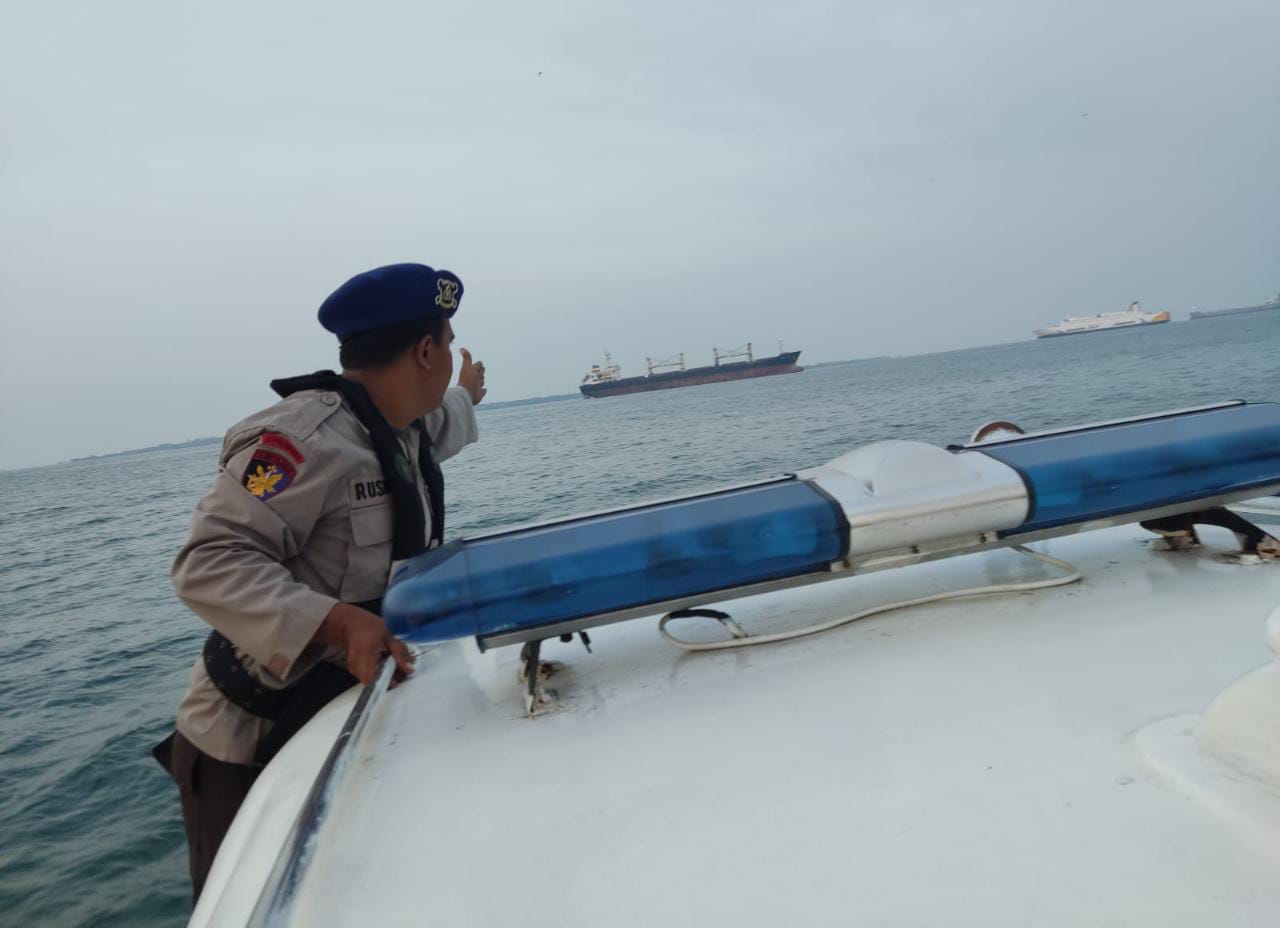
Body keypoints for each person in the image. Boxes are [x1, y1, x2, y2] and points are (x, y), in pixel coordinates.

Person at [153, 263, 486, 902]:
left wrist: (468, 391)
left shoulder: (402, 427)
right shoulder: (298, 442)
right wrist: (339, 621)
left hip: (342, 703)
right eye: (447, 344)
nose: (450, 361)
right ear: (425, 351)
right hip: (246, 741)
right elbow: (209, 561)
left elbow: (449, 417)